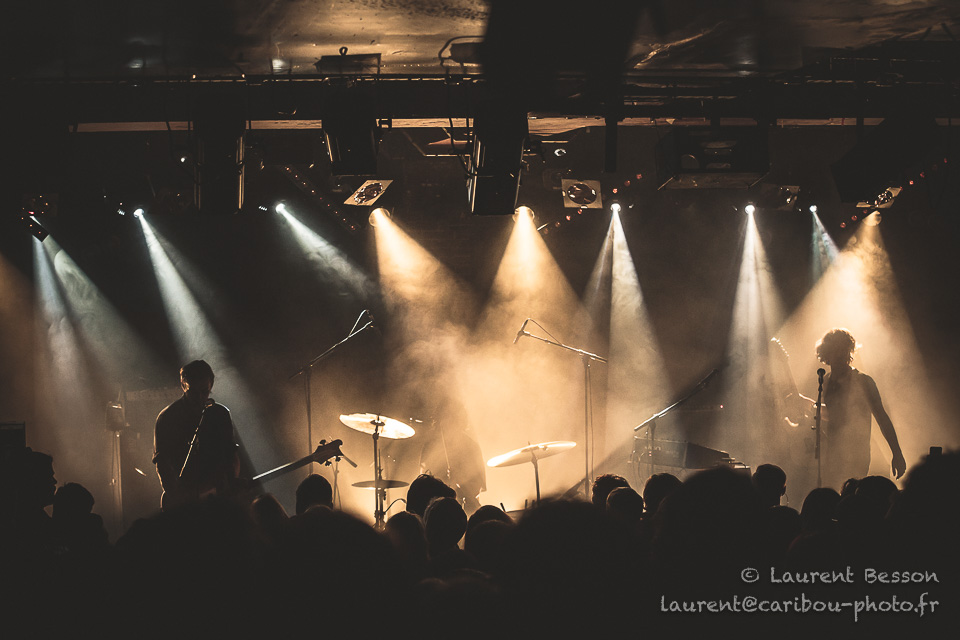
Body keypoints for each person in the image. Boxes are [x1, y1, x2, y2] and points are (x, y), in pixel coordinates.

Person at [814, 328, 906, 489]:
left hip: (857, 454)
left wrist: (896, 453)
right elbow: (833, 414)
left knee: (851, 492)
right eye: (834, 349)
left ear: (847, 352)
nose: (838, 354)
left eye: (841, 349)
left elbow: (882, 418)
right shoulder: (826, 380)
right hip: (832, 454)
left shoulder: (863, 381)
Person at [153, 360, 239, 510]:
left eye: (205, 392)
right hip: (184, 498)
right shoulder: (168, 417)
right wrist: (176, 496)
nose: (200, 398)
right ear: (183, 385)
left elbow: (230, 455)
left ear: (211, 386)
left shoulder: (220, 414)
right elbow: (162, 463)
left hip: (215, 497)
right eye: (193, 392)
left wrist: (230, 482)